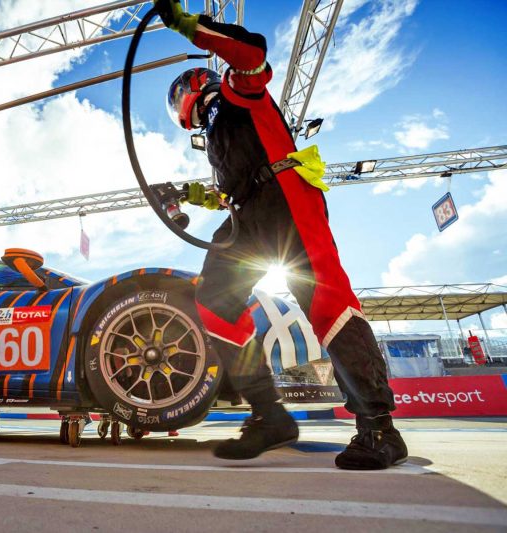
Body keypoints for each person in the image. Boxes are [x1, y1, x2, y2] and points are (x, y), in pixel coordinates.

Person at [155, 0, 408, 470]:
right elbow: (232, 184)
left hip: (288, 199)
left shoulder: (236, 92)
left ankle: (379, 429)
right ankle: (269, 415)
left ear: (187, 96)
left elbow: (252, 52)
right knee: (213, 303)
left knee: (326, 304)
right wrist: (190, 194)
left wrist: (190, 26)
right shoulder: (216, 133)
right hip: (246, 214)